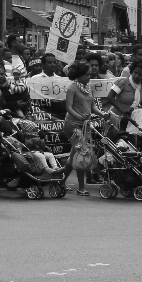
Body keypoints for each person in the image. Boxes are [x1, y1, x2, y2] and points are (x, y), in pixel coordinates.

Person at [63, 61, 93, 196]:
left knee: (73, 155)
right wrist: (80, 117)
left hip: (85, 125)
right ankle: (81, 187)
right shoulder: (72, 88)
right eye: (87, 75)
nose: (89, 77)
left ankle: (60, 181)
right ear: (79, 75)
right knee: (81, 153)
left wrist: (103, 115)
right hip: (73, 125)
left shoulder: (88, 87)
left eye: (90, 75)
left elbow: (92, 107)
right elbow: (68, 108)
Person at [104, 60, 142, 132]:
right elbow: (110, 97)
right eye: (135, 73)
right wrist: (122, 108)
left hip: (131, 120)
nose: (136, 76)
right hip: (116, 118)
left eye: (140, 75)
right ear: (131, 71)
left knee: (131, 140)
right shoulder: (122, 82)